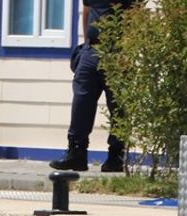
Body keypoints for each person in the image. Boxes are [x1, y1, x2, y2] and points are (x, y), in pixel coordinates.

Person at [50, 0, 138, 173]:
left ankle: (116, 156)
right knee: (81, 101)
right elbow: (87, 11)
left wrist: (128, 49)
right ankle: (76, 154)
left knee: (118, 104)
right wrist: (86, 46)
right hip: (91, 50)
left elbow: (136, 16)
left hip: (117, 51)